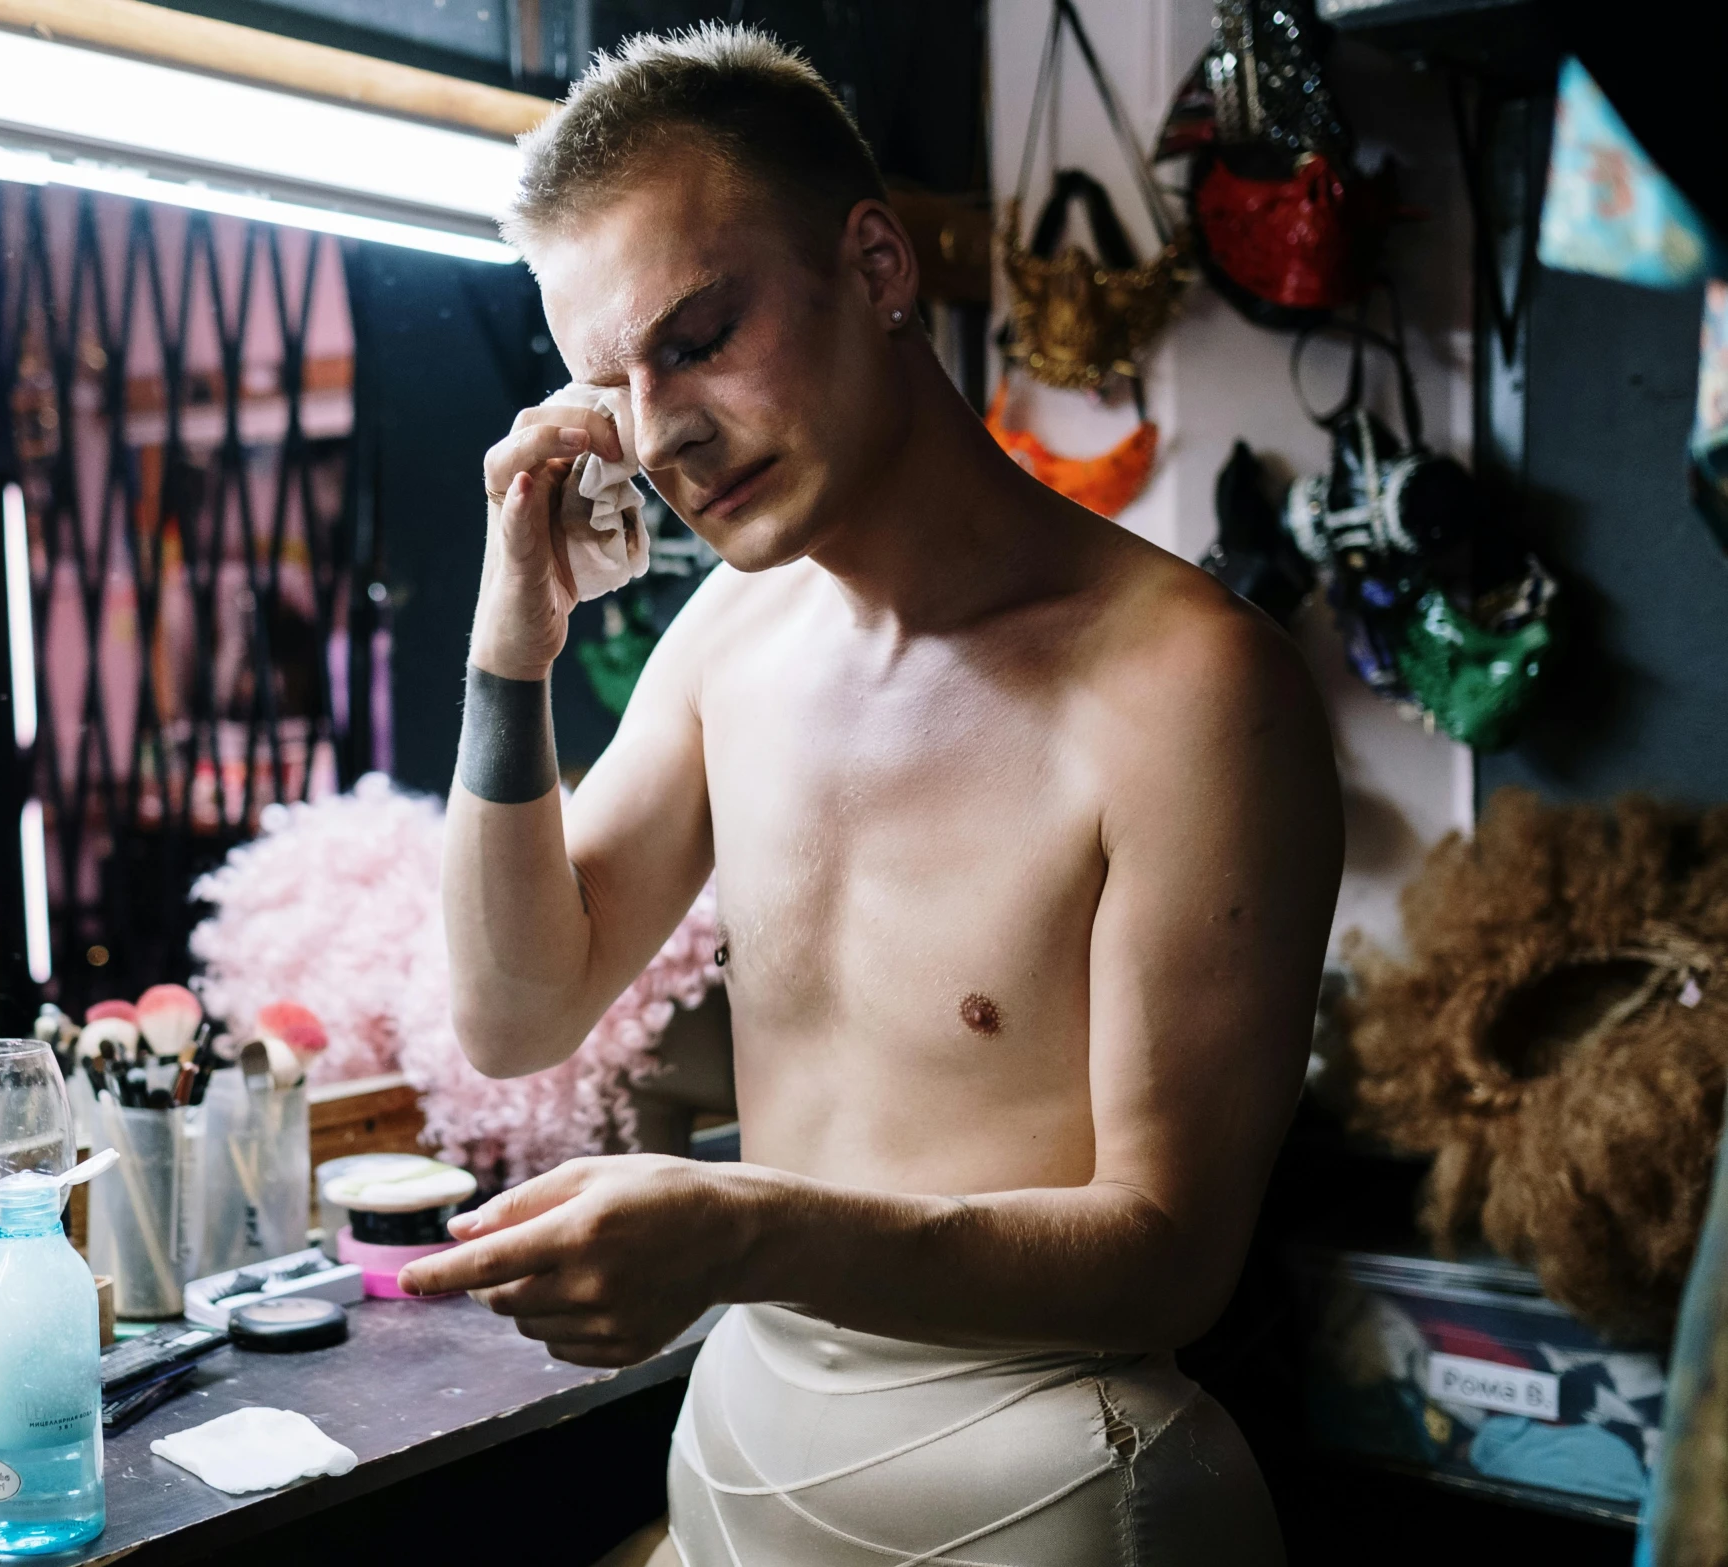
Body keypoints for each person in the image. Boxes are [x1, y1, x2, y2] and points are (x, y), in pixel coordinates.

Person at [402, 26, 1342, 1566]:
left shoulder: (1189, 689)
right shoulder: (729, 635)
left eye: (697, 336)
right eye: (607, 385)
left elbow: (1169, 1259)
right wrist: (511, 650)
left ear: (878, 263)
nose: (655, 434)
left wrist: (740, 1226)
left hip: (1047, 1495)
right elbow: (515, 1009)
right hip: (746, 1452)